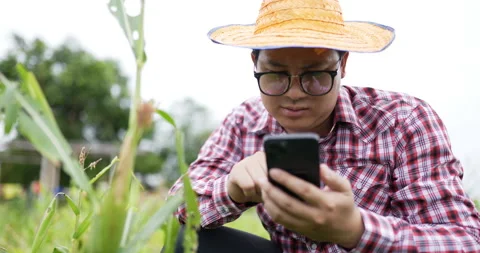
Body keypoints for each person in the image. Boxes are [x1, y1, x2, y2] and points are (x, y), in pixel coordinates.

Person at [166, 0, 480, 252]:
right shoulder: (246, 121)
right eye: (275, 75)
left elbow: (464, 240)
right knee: (189, 242)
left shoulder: (403, 119)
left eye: (315, 75)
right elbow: (174, 205)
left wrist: (355, 230)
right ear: (254, 64)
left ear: (342, 65)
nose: (294, 93)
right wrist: (230, 190)